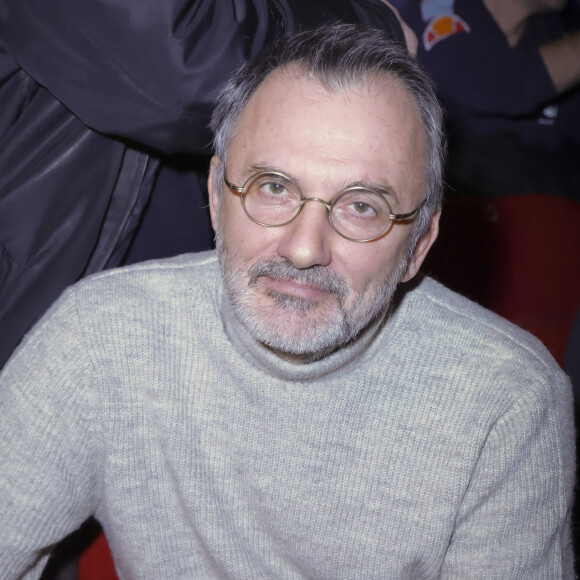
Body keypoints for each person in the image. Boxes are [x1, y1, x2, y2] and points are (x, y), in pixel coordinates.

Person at [0, 24, 574, 578]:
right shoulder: (101, 336)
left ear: (419, 245)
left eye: (361, 206)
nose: (303, 249)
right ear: (216, 194)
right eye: (273, 187)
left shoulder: (506, 403)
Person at [0, 0, 405, 370]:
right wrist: (373, 26)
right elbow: (179, 65)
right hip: (46, 311)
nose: (305, 251)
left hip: (180, 311)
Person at [398, 0, 580, 198]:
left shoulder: (554, 32)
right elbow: (504, 86)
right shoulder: (438, 8)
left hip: (547, 217)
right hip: (458, 212)